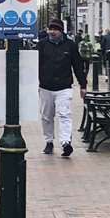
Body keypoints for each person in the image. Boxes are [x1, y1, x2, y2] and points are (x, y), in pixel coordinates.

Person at [37, 18, 88, 158]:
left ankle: (66, 142)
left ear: (61, 31)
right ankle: (49, 141)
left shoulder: (70, 46)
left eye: (55, 29)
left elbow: (78, 66)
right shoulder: (42, 45)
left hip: (64, 87)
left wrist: (83, 85)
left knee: (64, 114)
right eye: (50, 29)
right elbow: (34, 65)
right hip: (45, 87)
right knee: (46, 116)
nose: (52, 32)